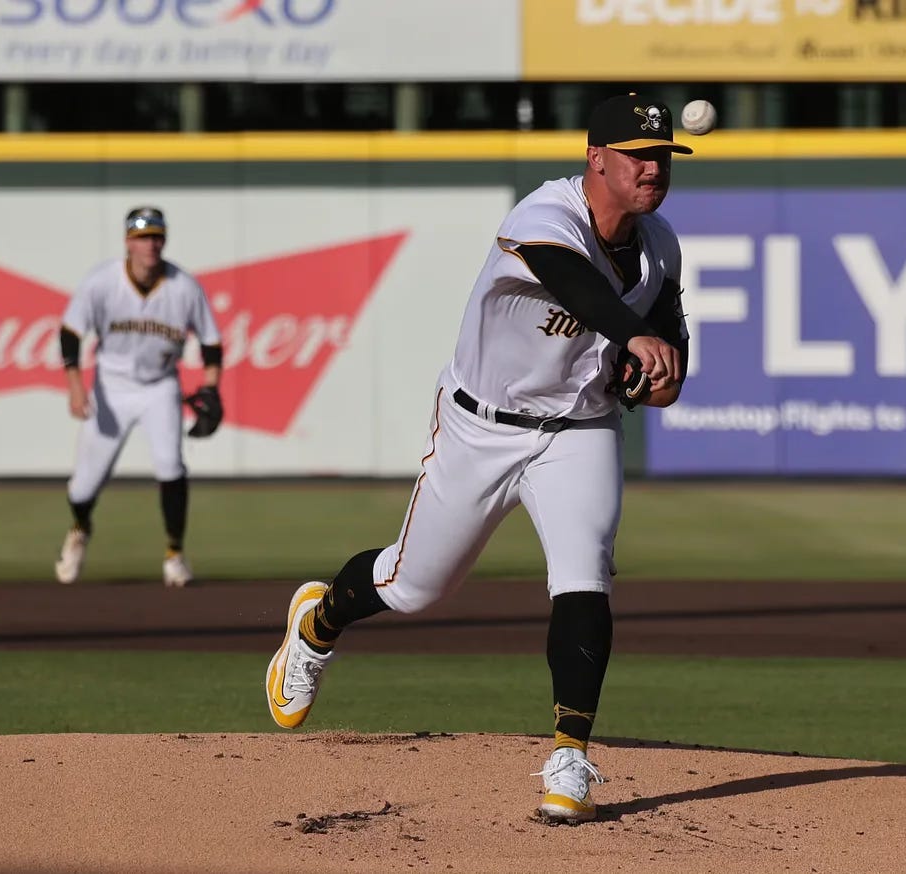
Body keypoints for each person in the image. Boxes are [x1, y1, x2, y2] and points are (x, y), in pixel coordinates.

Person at [264, 94, 692, 823]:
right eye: (638, 155)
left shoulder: (659, 247)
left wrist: (656, 375)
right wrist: (632, 334)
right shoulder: (545, 215)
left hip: (578, 429)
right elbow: (572, 281)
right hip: (479, 426)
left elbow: (666, 352)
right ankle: (317, 624)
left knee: (584, 575)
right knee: (413, 587)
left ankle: (570, 757)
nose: (653, 169)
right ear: (596, 159)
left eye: (662, 157)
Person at [54, 206, 224, 587]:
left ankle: (174, 554)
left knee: (171, 467)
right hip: (111, 387)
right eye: (143, 237)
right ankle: (80, 527)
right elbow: (70, 333)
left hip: (160, 385)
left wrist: (212, 387)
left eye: (157, 236)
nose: (151, 244)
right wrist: (75, 385)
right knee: (82, 487)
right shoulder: (102, 282)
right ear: (128, 242)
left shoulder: (183, 287)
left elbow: (212, 343)